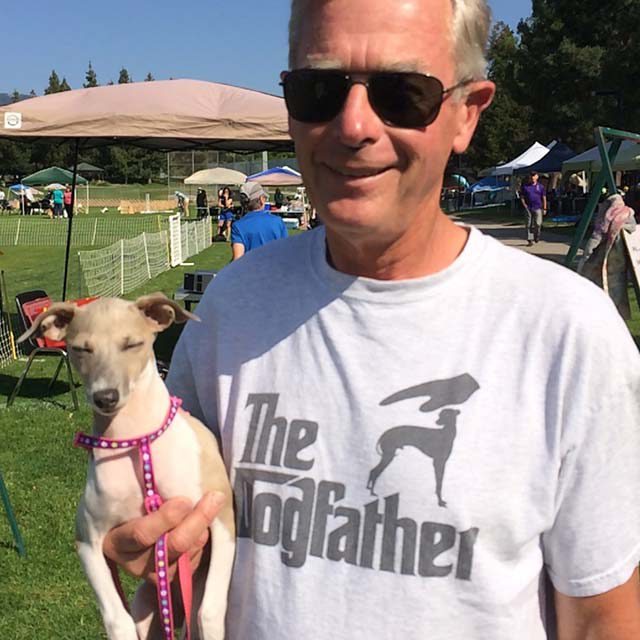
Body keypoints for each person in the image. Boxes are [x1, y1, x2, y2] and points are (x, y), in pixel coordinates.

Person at [104, 1, 640, 638]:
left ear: (467, 112)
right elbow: (175, 538)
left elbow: (603, 616)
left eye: (402, 93)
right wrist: (150, 551)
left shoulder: (567, 332)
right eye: (319, 89)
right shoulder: (232, 307)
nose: (353, 124)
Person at [578, 193, 637, 319]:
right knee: (617, 289)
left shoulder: (606, 217)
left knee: (602, 289)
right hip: (619, 262)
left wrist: (585, 259)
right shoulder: (628, 214)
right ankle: (617, 315)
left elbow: (596, 238)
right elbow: (632, 229)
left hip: (605, 259)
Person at [230, 181, 287, 260]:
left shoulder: (238, 226)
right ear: (261, 199)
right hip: (275, 270)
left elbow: (237, 259)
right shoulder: (277, 222)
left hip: (250, 271)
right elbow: (285, 252)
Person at [519, 171, 547, 245]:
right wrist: (524, 205)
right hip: (529, 207)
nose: (532, 177)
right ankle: (530, 239)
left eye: (534, 176)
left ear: (537, 177)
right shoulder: (525, 187)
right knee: (529, 224)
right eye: (531, 176)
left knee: (538, 223)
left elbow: (544, 197)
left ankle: (536, 235)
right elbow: (522, 197)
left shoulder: (540, 187)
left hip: (538, 207)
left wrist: (544, 208)